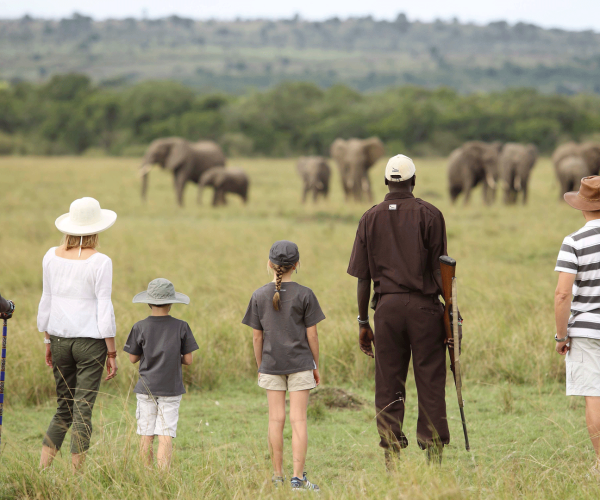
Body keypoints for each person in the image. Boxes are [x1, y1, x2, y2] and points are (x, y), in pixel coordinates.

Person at [347, 154, 451, 465]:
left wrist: (364, 320)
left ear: (385, 182)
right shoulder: (431, 214)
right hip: (425, 309)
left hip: (387, 310)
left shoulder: (369, 217)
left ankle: (391, 454)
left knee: (388, 381)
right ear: (414, 181)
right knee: (430, 379)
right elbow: (441, 270)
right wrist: (452, 312)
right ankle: (434, 456)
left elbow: (363, 277)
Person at [37, 197, 118, 471]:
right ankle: (77, 476)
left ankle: (42, 469)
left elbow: (46, 300)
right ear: (97, 229)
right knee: (83, 409)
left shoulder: (50, 255)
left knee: (64, 408)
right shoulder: (101, 261)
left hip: (58, 339)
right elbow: (103, 307)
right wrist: (112, 351)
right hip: (90, 343)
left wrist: (47, 340)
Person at [242, 241, 324, 491]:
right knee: (298, 420)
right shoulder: (305, 294)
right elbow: (312, 336)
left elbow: (257, 337)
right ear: (297, 265)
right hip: (301, 364)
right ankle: (297, 479)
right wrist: (315, 365)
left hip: (270, 365)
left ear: (270, 264)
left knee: (275, 420)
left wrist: (261, 365)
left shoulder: (258, 295)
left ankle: (277, 477)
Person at [124, 278, 199, 469]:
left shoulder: (139, 326)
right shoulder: (182, 326)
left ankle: (145, 476)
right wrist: (175, 356)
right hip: (171, 388)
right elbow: (188, 359)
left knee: (146, 433)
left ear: (148, 302)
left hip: (146, 387)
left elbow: (133, 358)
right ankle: (163, 477)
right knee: (166, 433)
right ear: (172, 302)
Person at [555, 176, 600, 476]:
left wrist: (561, 336)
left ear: (582, 208)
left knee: (594, 397)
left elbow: (562, 294)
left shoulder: (574, 242)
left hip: (585, 331)